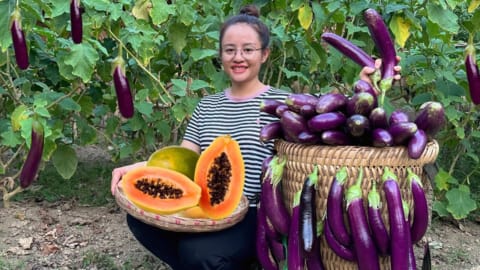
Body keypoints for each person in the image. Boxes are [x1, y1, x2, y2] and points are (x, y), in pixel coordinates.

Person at [110, 5, 401, 270]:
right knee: (141, 223)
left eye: (247, 50)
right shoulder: (206, 106)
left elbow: (336, 116)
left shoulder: (285, 103)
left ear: (264, 54)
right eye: (229, 50)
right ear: (221, 55)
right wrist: (136, 169)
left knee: (198, 253)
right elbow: (182, 161)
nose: (238, 58)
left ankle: (216, 261)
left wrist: (366, 86)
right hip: (207, 209)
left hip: (254, 212)